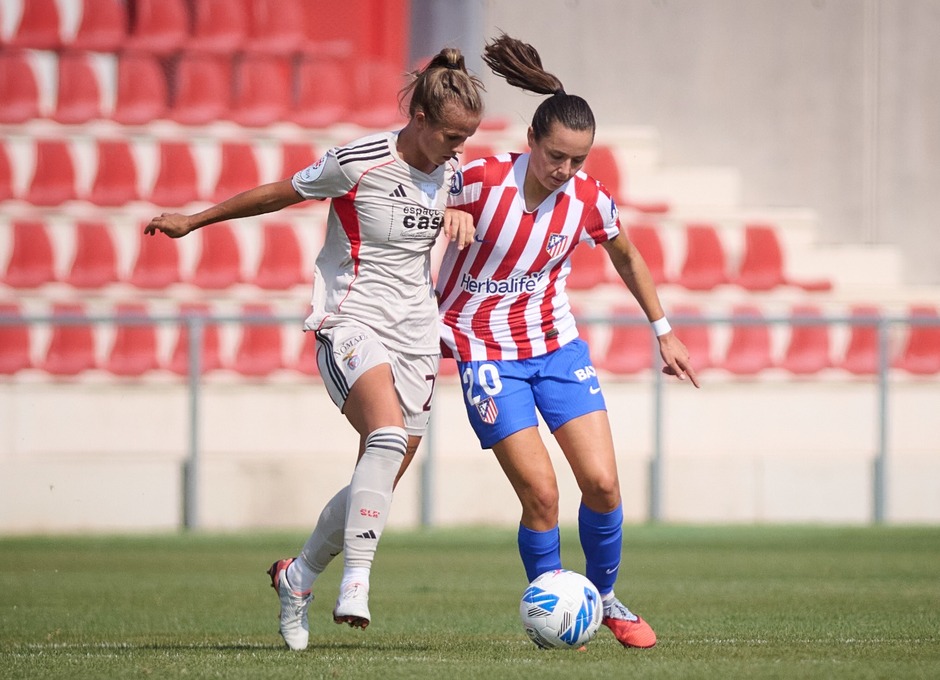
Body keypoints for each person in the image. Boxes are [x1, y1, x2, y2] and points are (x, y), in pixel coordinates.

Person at [144, 48, 485, 650]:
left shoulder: (452, 173)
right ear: (423, 118)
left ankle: (297, 578)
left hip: (415, 338)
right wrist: (194, 221)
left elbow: (497, 195)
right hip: (350, 321)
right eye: (452, 135)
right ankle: (356, 581)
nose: (459, 148)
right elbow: (282, 191)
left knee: (373, 482)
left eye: (467, 138)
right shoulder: (362, 160)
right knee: (383, 439)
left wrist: (463, 219)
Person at [435, 33, 701, 649]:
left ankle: (602, 600)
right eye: (556, 156)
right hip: (484, 353)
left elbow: (627, 257)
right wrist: (440, 216)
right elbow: (416, 195)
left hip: (557, 348)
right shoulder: (476, 180)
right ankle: (553, 609)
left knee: (604, 485)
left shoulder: (587, 200)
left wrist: (665, 333)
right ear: (530, 142)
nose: (565, 170)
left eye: (578, 160)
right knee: (543, 492)